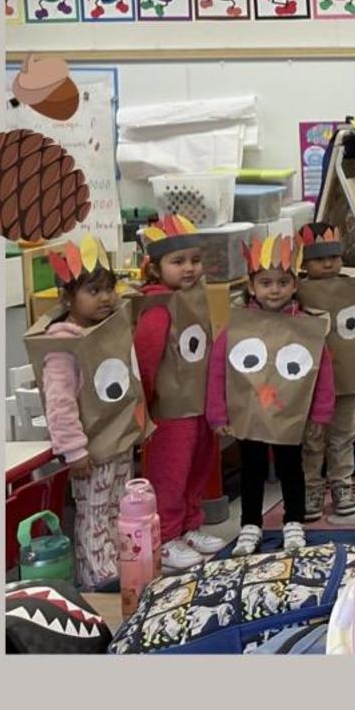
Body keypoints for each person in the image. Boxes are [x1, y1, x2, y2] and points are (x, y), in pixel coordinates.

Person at [207, 234, 336, 557]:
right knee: (252, 468)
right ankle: (250, 524)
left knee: (291, 467)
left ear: (294, 285)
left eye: (282, 282)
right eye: (266, 283)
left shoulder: (305, 327)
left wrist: (321, 413)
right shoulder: (236, 328)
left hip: (289, 413)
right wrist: (218, 414)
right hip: (249, 414)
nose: (274, 290)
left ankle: (294, 521)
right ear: (251, 287)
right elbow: (219, 369)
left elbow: (322, 370)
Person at [30, 236, 140, 589]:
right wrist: (74, 450)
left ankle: (119, 566)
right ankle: (98, 580)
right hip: (90, 450)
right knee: (94, 512)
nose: (106, 297)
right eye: (93, 291)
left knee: (118, 507)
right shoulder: (63, 344)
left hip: (118, 441)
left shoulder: (105, 330)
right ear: (68, 297)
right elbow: (59, 403)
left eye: (109, 288)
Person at [131, 215, 225, 570]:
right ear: (155, 269)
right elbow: (146, 360)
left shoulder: (192, 299)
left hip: (199, 404)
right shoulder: (158, 308)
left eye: (195, 260)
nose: (189, 268)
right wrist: (146, 405)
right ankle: (168, 535)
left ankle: (189, 525)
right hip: (171, 412)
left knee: (197, 468)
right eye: (178, 261)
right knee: (170, 474)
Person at [295, 223, 355, 519]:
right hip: (310, 384)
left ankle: (342, 484)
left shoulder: (352, 287)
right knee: (311, 438)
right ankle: (311, 487)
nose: (328, 264)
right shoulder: (296, 292)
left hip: (344, 379)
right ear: (303, 262)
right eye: (318, 259)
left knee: (343, 435)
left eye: (334, 257)